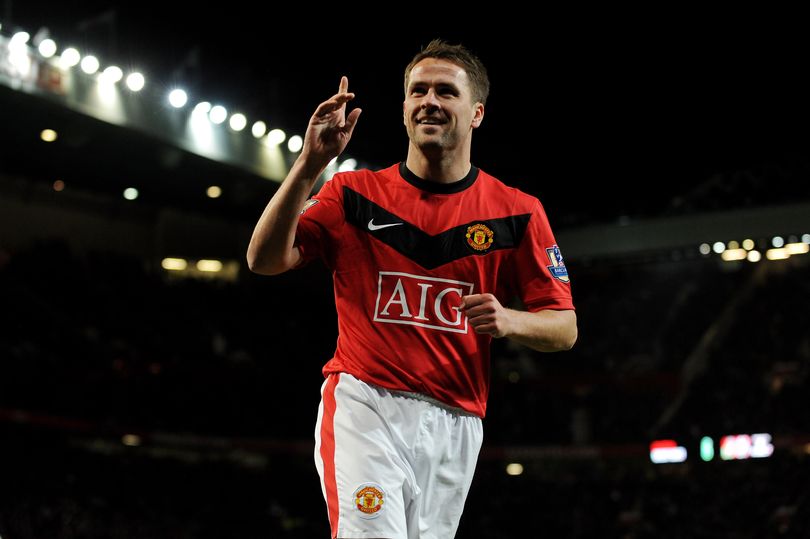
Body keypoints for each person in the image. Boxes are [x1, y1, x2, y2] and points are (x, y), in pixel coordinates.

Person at [247, 39, 577, 539]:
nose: (429, 101)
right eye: (418, 91)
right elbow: (264, 260)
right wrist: (310, 164)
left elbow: (565, 328)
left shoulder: (518, 211)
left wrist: (510, 320)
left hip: (457, 421)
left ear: (477, 113)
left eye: (446, 92)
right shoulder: (352, 194)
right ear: (404, 108)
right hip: (366, 404)